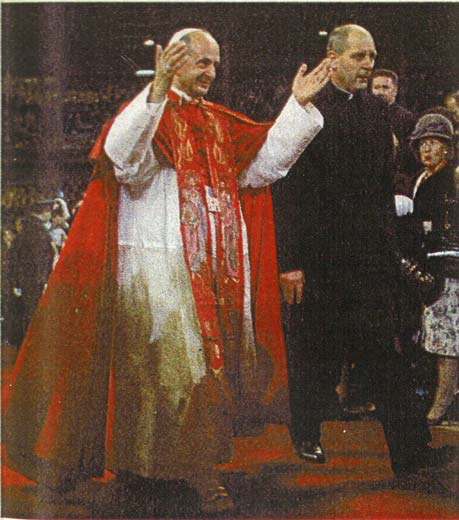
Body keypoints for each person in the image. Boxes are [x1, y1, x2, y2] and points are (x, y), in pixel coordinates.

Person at [4, 28, 330, 514]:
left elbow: (261, 169)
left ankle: (197, 468)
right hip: (157, 267)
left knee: (203, 375)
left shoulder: (220, 122)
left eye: (215, 65)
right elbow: (123, 159)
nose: (211, 73)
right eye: (202, 63)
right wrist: (155, 92)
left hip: (218, 273)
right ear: (174, 63)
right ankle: (148, 468)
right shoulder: (147, 115)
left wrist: (296, 108)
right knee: (162, 370)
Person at [274, 24, 450, 483]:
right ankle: (307, 432)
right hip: (319, 260)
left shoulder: (379, 112)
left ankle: (410, 454)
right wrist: (290, 262)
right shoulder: (308, 112)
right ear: (332, 59)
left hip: (370, 259)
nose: (368, 64)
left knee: (386, 354)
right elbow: (290, 191)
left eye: (372, 56)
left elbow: (381, 188)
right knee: (318, 354)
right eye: (358, 56)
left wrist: (391, 252)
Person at [409, 113, 459, 425]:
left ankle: (441, 405)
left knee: (447, 337)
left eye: (434, 143)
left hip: (452, 266)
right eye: (423, 144)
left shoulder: (454, 176)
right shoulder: (421, 179)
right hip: (428, 264)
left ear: (447, 148)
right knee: (432, 334)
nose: (427, 149)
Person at [9, 199, 55, 342]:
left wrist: (16, 281)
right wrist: (44, 280)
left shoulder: (26, 230)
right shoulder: (39, 232)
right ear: (45, 212)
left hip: (25, 280)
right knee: (34, 315)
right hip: (36, 280)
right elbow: (40, 259)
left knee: (28, 314)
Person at [371, 69, 417, 197]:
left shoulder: (407, 118)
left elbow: (413, 156)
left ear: (395, 91)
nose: (380, 92)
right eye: (376, 87)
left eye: (385, 87)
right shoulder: (363, 116)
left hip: (394, 182)